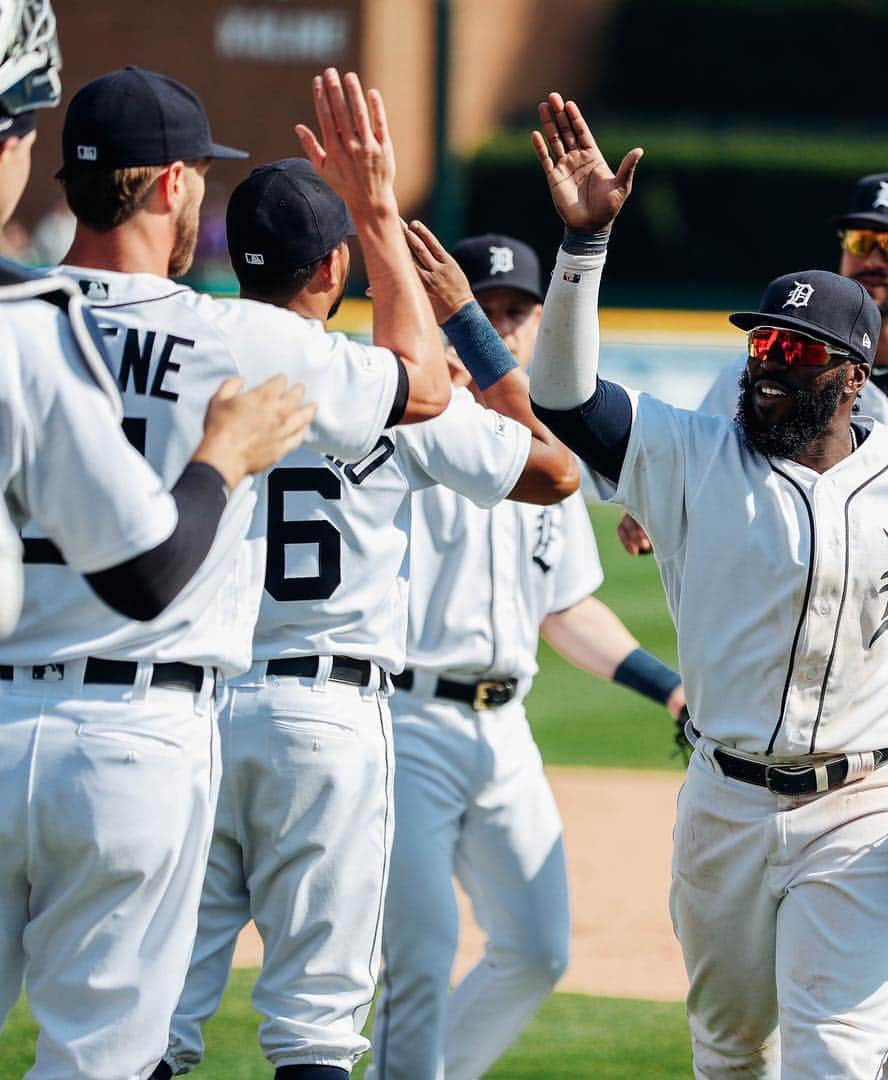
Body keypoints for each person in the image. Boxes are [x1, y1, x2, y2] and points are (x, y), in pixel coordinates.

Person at [525, 91, 888, 1079]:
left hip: (873, 808)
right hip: (723, 805)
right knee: (732, 1053)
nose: (768, 366)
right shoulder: (693, 453)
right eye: (760, 344)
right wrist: (583, 250)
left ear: (851, 375)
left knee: (836, 1058)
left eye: (796, 351)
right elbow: (563, 397)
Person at [0, 64, 449, 1079]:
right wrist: (376, 209)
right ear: (170, 186)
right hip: (133, 737)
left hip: (0, 714)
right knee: (100, 1059)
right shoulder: (234, 336)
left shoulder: (12, 325)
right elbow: (421, 389)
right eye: (196, 170)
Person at [155, 159, 578, 1079]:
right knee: (315, 1026)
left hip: (195, 707)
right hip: (326, 717)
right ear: (332, 269)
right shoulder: (390, 391)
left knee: (155, 1020)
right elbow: (555, 472)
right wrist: (461, 317)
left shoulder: (187, 361)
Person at [370, 230, 687, 1080]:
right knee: (420, 960)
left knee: (538, 948)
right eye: (487, 309)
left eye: (518, 311)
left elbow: (565, 607)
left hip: (505, 734)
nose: (504, 327)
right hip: (408, 721)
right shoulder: (412, 425)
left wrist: (668, 689)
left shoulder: (549, 456)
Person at [0, 1, 314, 637]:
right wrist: (226, 452)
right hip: (142, 707)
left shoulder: (32, 313)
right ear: (174, 183)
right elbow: (422, 392)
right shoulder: (26, 326)